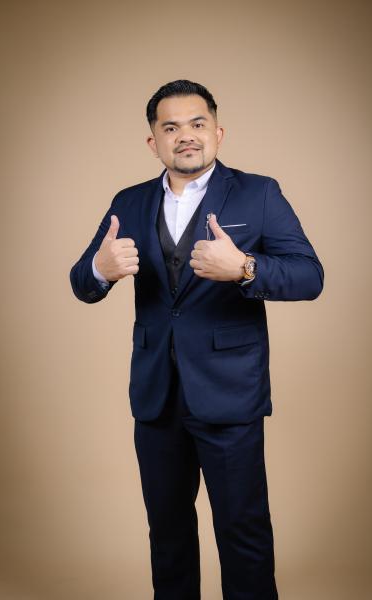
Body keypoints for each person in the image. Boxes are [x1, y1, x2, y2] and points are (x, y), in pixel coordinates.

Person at [70, 79, 324, 600]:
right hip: (156, 396)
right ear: (154, 142)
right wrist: (99, 268)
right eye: (171, 127)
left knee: (243, 534)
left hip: (230, 394)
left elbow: (310, 275)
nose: (185, 135)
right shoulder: (129, 202)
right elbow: (82, 282)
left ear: (218, 132)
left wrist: (246, 267)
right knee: (167, 537)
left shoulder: (258, 193)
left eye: (197, 123)